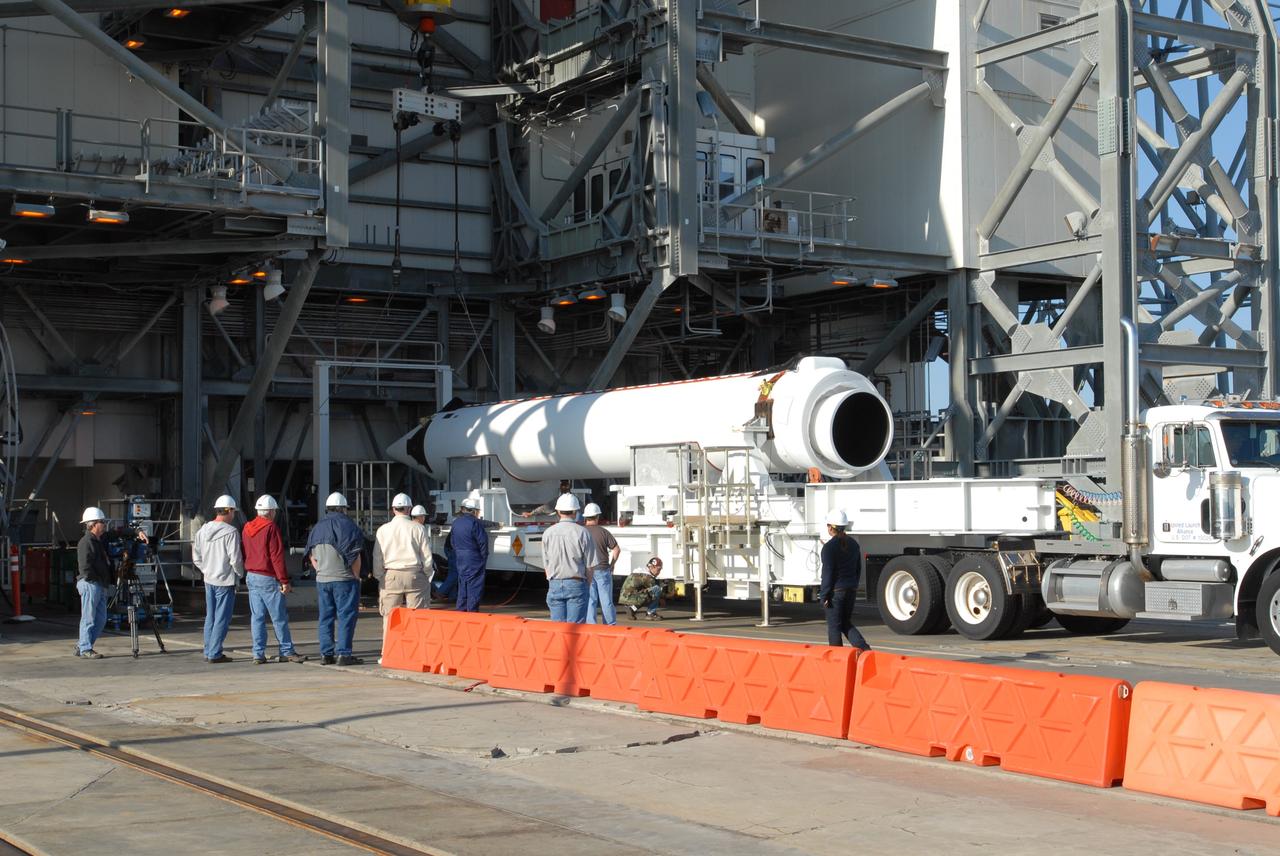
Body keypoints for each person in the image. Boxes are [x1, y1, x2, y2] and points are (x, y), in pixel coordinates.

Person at [305, 492, 366, 665]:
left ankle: (326, 654)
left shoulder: (317, 527)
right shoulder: (349, 526)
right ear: (343, 509)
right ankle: (344, 655)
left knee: (325, 617)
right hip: (344, 579)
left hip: (323, 580)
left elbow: (311, 555)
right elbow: (355, 555)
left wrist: (320, 570)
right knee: (346, 617)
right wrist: (357, 576)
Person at [243, 494, 305, 665]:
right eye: (275, 511)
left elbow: (245, 551)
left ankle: (258, 653)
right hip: (267, 577)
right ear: (270, 511)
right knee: (279, 617)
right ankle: (287, 651)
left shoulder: (247, 527)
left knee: (257, 617)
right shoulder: (271, 528)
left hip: (251, 575)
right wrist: (284, 580)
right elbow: (276, 557)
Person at [192, 495, 245, 663]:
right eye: (233, 512)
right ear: (229, 511)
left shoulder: (203, 530)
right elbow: (235, 559)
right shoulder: (231, 532)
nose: (234, 515)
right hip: (225, 581)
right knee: (222, 618)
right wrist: (240, 574)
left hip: (209, 579)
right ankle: (214, 653)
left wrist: (206, 570)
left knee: (211, 617)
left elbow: (196, 557)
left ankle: (208, 650)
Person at [373, 492, 432, 635]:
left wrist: (380, 576)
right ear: (409, 509)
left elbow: (377, 557)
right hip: (415, 574)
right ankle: (416, 647)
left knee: (390, 618)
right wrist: (427, 575)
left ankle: (388, 648)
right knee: (418, 618)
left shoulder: (383, 530)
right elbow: (427, 556)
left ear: (393, 509)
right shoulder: (418, 528)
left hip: (391, 575)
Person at [820, 509, 871, 651]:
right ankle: (865, 650)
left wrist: (824, 595)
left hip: (836, 592)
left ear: (831, 528)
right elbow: (858, 569)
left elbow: (828, 573)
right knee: (845, 623)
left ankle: (837, 658)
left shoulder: (829, 548)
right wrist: (853, 585)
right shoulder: (854, 544)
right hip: (851, 590)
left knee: (834, 627)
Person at [540, 493, 593, 623]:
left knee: (558, 629)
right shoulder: (582, 532)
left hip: (555, 583)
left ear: (558, 511)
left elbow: (546, 565)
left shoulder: (548, 533)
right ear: (575, 511)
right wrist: (588, 585)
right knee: (575, 628)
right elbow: (590, 565)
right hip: (576, 583)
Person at [74, 506, 113, 659]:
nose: (104, 524)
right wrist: (94, 580)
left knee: (101, 619)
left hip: (99, 584)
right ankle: (85, 648)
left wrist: (137, 532)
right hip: (91, 583)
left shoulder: (98, 540)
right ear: (93, 524)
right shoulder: (86, 542)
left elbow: (115, 534)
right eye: (102, 522)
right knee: (88, 618)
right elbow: (85, 567)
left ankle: (82, 645)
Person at [582, 503, 620, 625]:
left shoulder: (581, 532)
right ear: (597, 516)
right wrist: (612, 564)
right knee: (606, 600)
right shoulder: (604, 532)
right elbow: (616, 549)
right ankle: (609, 625)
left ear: (585, 517)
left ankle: (591, 626)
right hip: (603, 569)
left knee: (590, 600)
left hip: (587, 570)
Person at [450, 497, 489, 611]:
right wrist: (483, 558)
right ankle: (472, 612)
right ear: (474, 511)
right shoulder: (475, 522)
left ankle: (461, 611)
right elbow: (483, 542)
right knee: (474, 587)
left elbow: (452, 542)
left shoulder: (456, 522)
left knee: (463, 585)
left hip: (460, 557)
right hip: (474, 558)